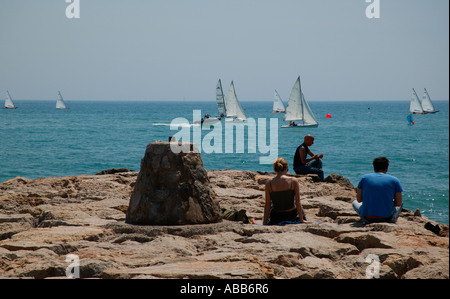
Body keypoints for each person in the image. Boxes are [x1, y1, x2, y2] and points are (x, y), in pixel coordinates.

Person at [352, 157, 403, 224]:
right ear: (387, 168)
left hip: (367, 218)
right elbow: (398, 203)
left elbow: (359, 200)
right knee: (401, 204)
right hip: (387, 219)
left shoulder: (364, 178)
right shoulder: (395, 180)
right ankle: (392, 220)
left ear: (374, 167)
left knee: (354, 202)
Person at [263, 158, 309, 225]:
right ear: (286, 168)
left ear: (275, 169)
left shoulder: (269, 183)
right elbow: (297, 202)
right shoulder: (293, 181)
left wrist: (264, 222)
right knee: (299, 208)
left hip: (276, 217)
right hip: (291, 216)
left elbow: (267, 204)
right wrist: (302, 219)